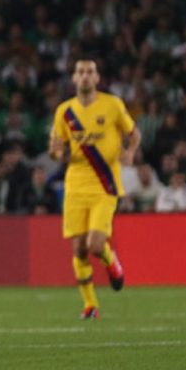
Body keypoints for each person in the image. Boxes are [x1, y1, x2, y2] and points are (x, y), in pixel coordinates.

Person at [49, 58, 141, 319]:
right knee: (78, 249)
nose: (85, 76)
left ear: (97, 78)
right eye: (80, 72)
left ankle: (112, 262)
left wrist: (131, 152)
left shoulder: (112, 105)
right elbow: (56, 148)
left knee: (95, 244)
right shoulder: (64, 112)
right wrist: (57, 154)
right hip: (76, 185)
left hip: (105, 184)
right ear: (74, 79)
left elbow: (134, 133)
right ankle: (90, 305)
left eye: (90, 72)